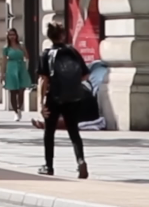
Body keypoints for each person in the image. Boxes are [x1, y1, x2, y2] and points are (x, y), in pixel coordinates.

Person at [37, 22, 89, 179]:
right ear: (63, 35)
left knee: (49, 132)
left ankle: (49, 166)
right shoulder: (73, 52)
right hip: (73, 97)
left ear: (49, 36)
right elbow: (85, 74)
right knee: (74, 131)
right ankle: (80, 160)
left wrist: (40, 104)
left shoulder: (46, 54)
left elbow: (43, 80)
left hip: (54, 96)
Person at [1, 28, 32, 120]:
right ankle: (15, 112)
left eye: (13, 34)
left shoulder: (21, 45)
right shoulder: (6, 48)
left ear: (16, 35)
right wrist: (2, 74)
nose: (12, 37)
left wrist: (26, 63)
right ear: (7, 36)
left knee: (21, 90)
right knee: (13, 91)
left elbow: (27, 56)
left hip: (21, 67)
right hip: (11, 68)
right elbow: (4, 61)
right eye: (10, 35)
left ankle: (19, 108)